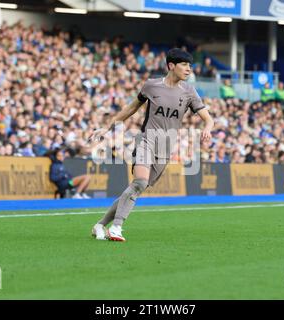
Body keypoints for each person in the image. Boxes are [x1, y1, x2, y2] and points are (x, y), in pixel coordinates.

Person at [89, 48, 214, 241]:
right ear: (171, 66)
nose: (189, 69)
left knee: (136, 188)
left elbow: (208, 118)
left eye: (190, 65)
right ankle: (116, 227)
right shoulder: (151, 86)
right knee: (139, 183)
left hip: (166, 147)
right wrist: (108, 128)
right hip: (146, 140)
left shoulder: (189, 91)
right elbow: (132, 107)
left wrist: (208, 127)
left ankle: (99, 225)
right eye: (184, 65)